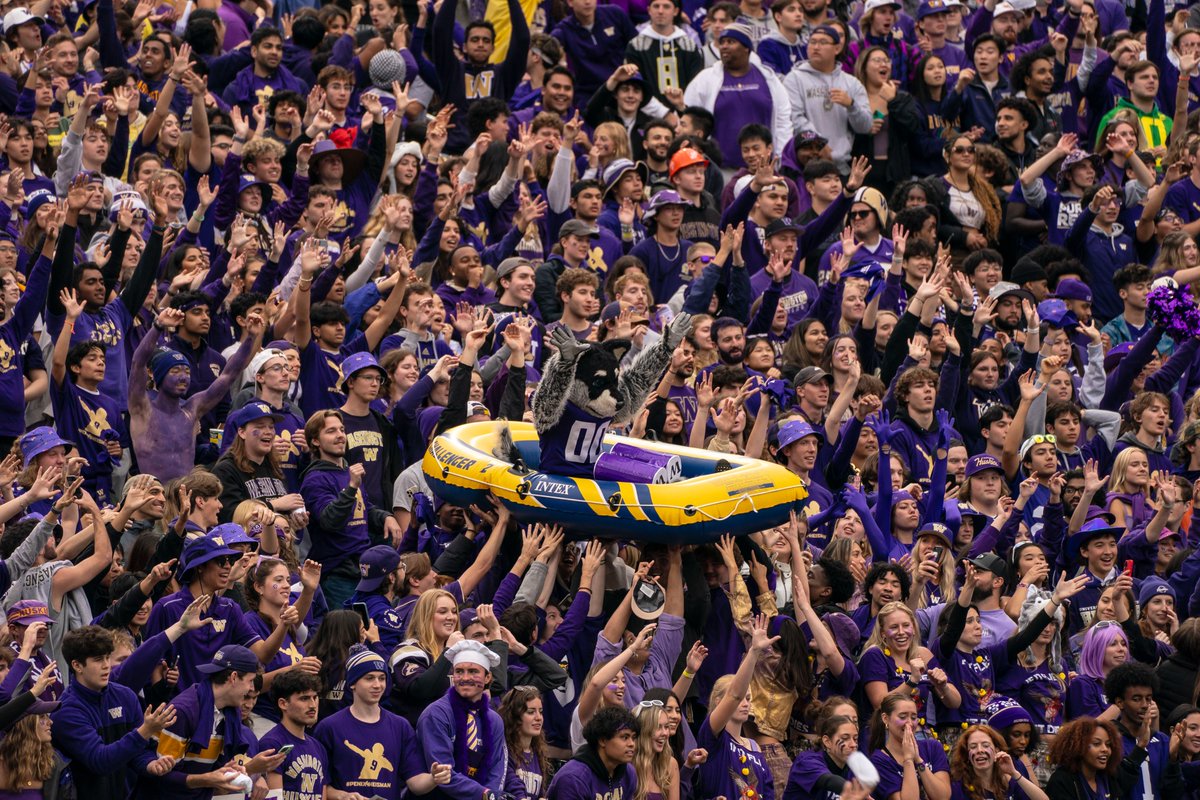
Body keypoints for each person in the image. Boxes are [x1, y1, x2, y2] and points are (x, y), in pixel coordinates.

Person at [313, 646, 451, 800]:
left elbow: (415, 782)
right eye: (369, 678)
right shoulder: (329, 728)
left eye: (382, 678)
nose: (377, 685)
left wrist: (433, 778)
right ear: (352, 683)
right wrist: (343, 796)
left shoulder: (400, 727)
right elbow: (319, 785)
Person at [547, 706, 639, 800]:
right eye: (625, 737)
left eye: (633, 738)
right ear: (603, 740)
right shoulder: (574, 778)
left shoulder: (628, 773)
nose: (632, 744)